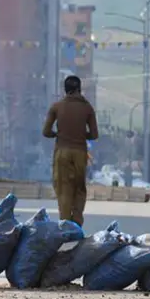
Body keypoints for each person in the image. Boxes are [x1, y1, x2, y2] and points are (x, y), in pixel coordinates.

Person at [42, 75, 98, 226]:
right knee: (79, 187)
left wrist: (58, 134)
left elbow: (46, 131)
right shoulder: (87, 108)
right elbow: (94, 135)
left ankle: (65, 223)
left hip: (62, 152)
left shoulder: (56, 107)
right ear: (79, 89)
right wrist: (80, 134)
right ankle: (77, 221)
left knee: (63, 187)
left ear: (65, 90)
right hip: (80, 152)